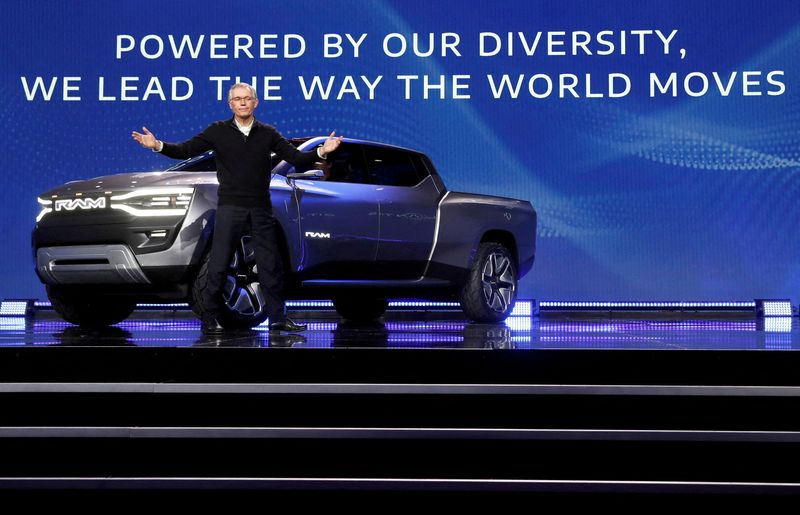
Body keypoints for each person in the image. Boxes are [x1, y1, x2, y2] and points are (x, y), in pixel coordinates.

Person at [132, 83, 342, 334]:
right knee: (219, 263)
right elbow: (186, 150)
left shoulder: (268, 132)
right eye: (237, 99)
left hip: (261, 208)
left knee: (269, 265)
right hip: (230, 207)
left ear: (256, 103)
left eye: (247, 99)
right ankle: (210, 317)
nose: (242, 103)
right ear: (230, 104)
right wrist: (157, 145)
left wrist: (322, 151)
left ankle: (277, 318)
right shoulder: (217, 131)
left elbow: (295, 158)